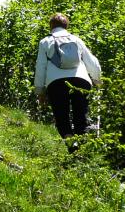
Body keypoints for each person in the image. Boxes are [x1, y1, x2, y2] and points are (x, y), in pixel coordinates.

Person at [34, 13, 101, 144]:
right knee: (80, 117)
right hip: (81, 81)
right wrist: (97, 80)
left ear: (51, 26)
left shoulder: (45, 42)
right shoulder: (76, 39)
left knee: (62, 118)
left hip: (56, 83)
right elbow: (91, 61)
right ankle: (81, 149)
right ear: (67, 25)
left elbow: (40, 67)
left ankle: (72, 147)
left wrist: (39, 91)